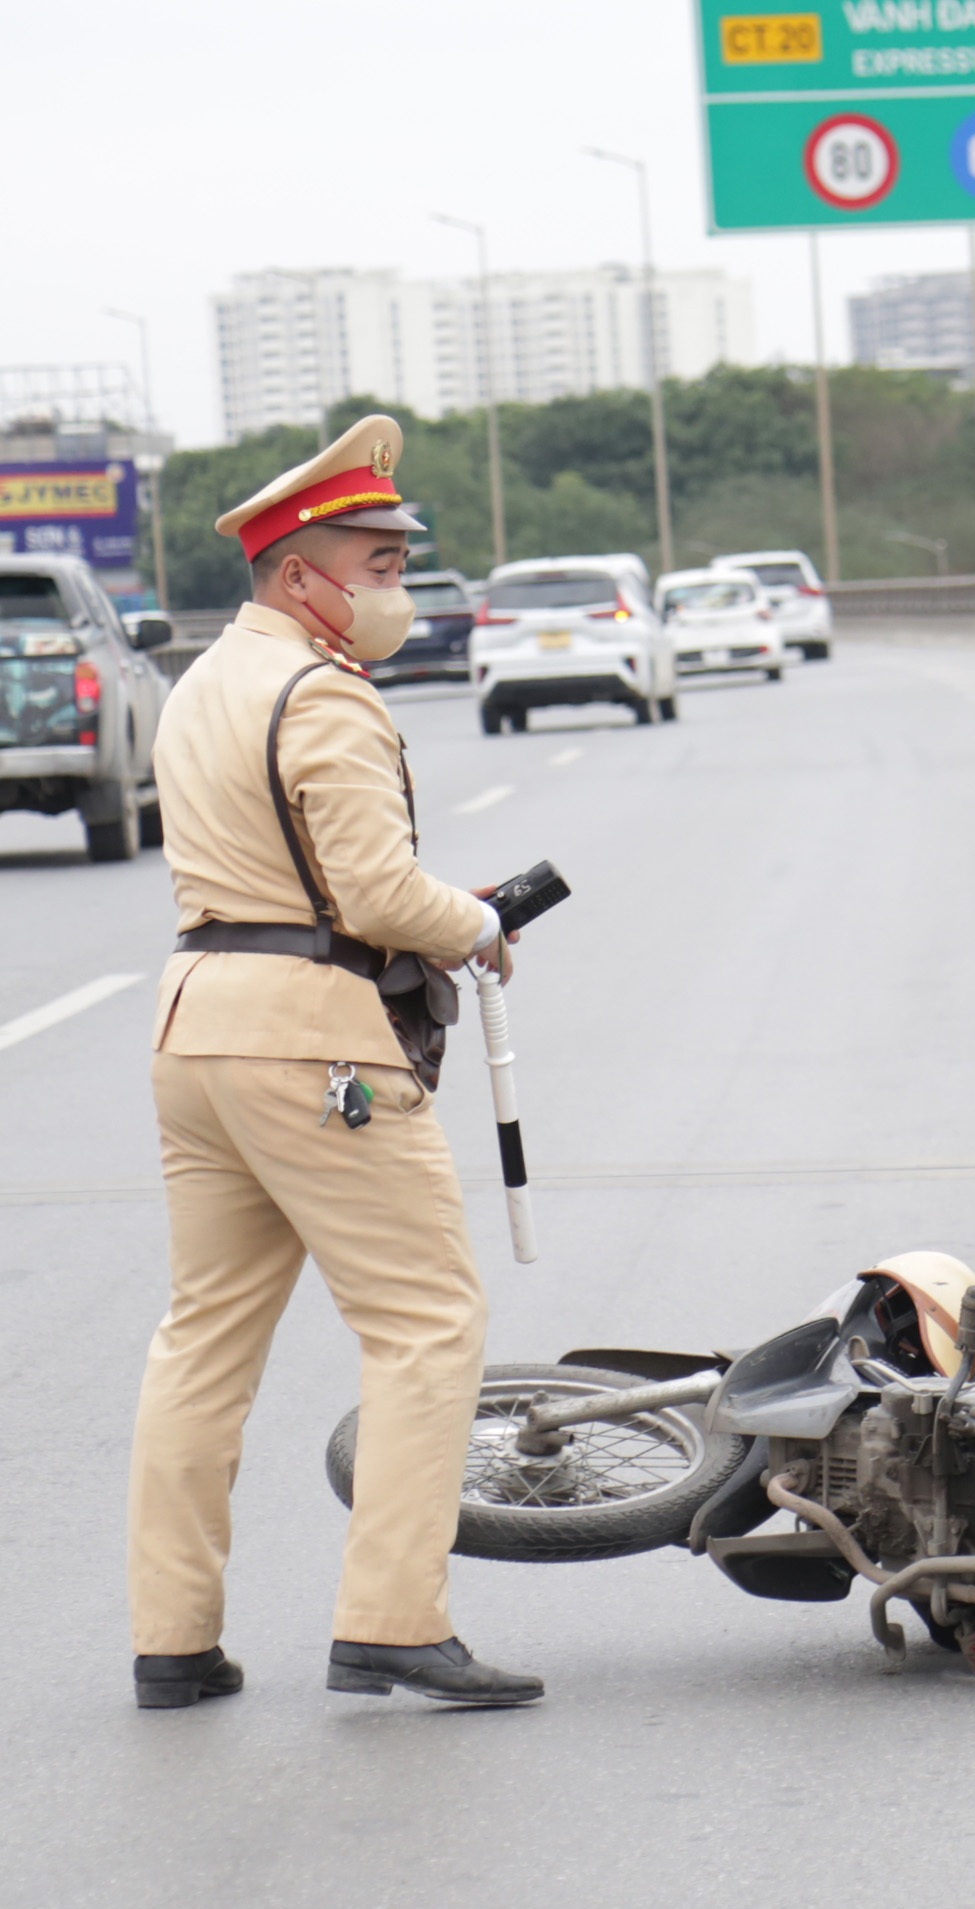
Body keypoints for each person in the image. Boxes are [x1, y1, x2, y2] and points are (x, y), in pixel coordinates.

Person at [124, 414, 542, 1711]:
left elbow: (285, 873)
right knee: (427, 1322)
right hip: (312, 1040)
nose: (392, 584)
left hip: (197, 1024)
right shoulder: (323, 696)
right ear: (298, 573)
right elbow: (367, 889)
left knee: (202, 1340)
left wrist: (412, 902)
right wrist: (471, 923)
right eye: (372, 559)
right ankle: (392, 1618)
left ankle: (173, 1641)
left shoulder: (202, 685)